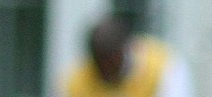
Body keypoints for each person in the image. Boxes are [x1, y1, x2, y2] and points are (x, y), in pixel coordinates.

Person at [60, 14, 193, 97]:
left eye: (111, 64)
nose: (106, 71)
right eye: (100, 65)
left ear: (124, 51)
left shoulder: (164, 67)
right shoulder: (74, 81)